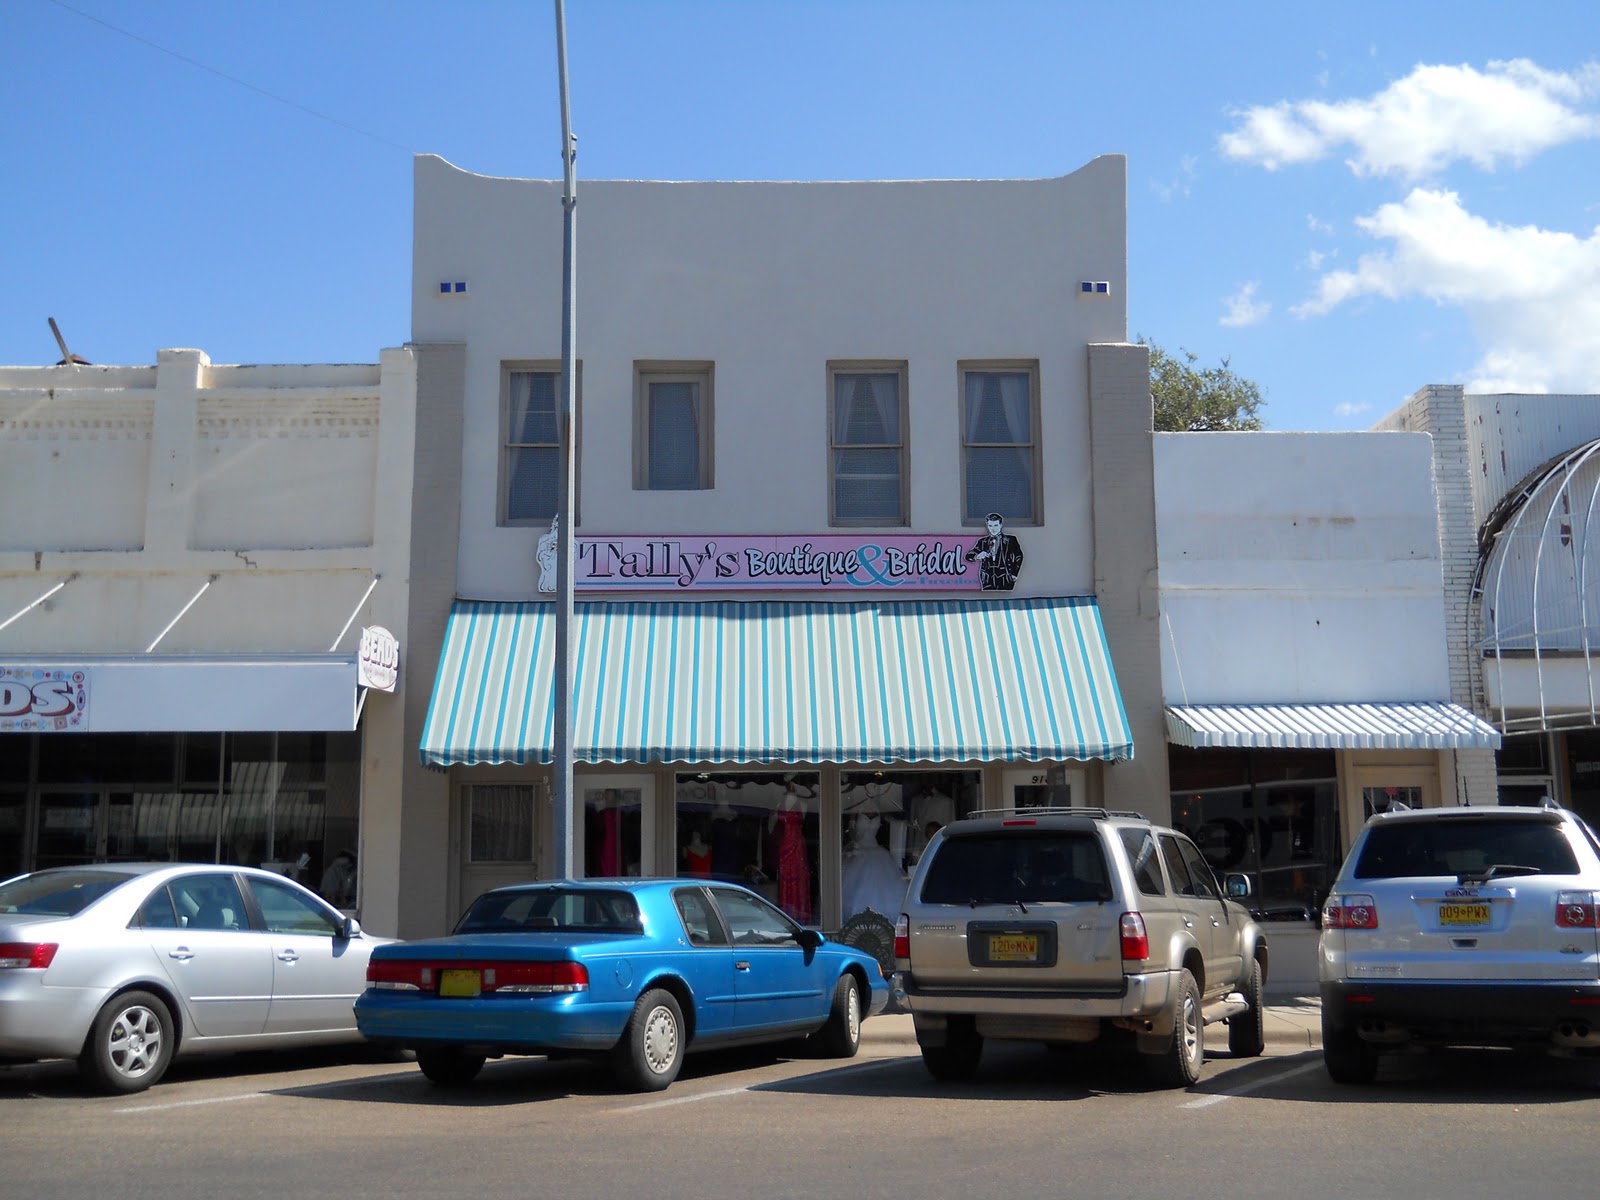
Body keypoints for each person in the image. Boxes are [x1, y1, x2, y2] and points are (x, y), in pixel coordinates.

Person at [964, 512, 1024, 590]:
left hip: (1005, 576)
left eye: (995, 525)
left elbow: (1019, 556)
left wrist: (1014, 573)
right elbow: (968, 556)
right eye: (990, 526)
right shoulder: (982, 541)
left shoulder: (1010, 540)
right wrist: (977, 556)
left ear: (1000, 525)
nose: (993, 528)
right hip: (987, 578)